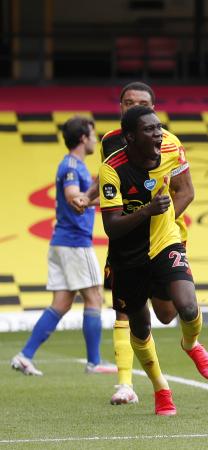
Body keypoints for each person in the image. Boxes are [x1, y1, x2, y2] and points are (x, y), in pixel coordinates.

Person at [99, 106, 208, 415]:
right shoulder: (112, 169)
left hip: (165, 241)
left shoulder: (171, 146)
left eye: (159, 127)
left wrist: (161, 220)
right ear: (130, 137)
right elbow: (111, 226)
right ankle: (160, 388)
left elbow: (186, 190)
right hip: (127, 257)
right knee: (141, 324)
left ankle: (191, 344)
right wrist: (147, 212)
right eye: (150, 130)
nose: (158, 134)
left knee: (187, 306)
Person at [11, 117, 116, 376]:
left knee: (61, 303)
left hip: (62, 242)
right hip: (74, 243)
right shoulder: (72, 166)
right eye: (92, 134)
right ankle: (94, 362)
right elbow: (72, 197)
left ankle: (25, 356)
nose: (94, 138)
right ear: (82, 138)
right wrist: (107, 198)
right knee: (94, 298)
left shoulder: (74, 165)